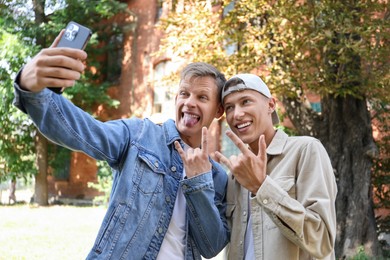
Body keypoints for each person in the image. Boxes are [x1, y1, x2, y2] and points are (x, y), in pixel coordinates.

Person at [13, 30, 229, 259]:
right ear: (176, 99)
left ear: (218, 111)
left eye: (202, 97)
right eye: (184, 93)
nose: (189, 102)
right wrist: (30, 87)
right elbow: (83, 132)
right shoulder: (139, 135)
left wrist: (199, 182)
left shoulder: (217, 177)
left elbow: (212, 246)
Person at [215, 74, 337, 259]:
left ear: (271, 105)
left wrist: (262, 187)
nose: (237, 114)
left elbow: (322, 241)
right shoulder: (237, 173)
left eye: (246, 101)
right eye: (230, 107)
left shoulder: (305, 150)